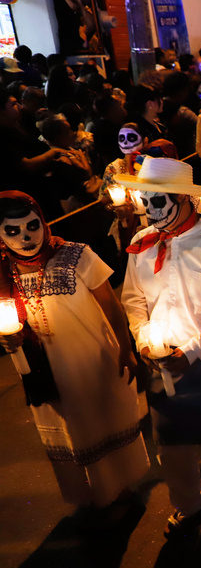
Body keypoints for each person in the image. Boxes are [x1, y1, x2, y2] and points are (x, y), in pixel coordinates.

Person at [0, 191, 150, 520]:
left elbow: (110, 303)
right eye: (12, 231)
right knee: (72, 433)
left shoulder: (75, 254)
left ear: (44, 221)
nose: (25, 238)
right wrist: (9, 343)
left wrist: (126, 350)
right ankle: (92, 495)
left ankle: (119, 493)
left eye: (31, 226)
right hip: (44, 372)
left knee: (101, 422)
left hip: (91, 360)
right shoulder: (3, 273)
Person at [119, 158, 201, 536]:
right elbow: (133, 299)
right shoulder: (141, 246)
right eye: (145, 200)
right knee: (170, 440)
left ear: (183, 199)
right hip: (158, 359)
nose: (149, 209)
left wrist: (192, 351)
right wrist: (143, 340)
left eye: (158, 201)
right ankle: (188, 502)